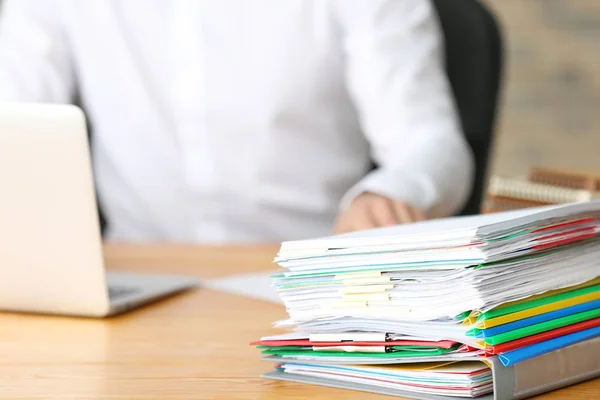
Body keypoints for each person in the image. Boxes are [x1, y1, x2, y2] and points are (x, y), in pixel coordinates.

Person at [0, 0, 474, 243]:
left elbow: (430, 143)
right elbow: (12, 125)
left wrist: (393, 194)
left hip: (313, 284)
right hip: (129, 278)